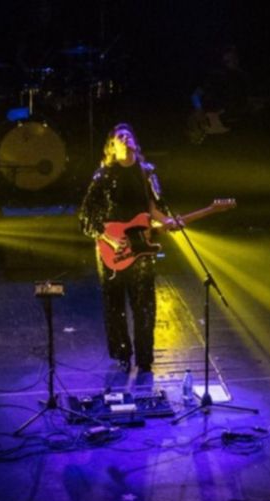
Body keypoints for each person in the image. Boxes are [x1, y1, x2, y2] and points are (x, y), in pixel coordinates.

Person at [77, 123, 181, 373]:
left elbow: (153, 208)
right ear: (112, 147)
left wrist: (167, 221)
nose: (125, 138)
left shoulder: (147, 173)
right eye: (119, 136)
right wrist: (110, 239)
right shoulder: (103, 175)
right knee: (114, 304)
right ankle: (122, 354)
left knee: (144, 303)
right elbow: (86, 215)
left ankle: (144, 358)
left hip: (141, 245)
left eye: (128, 135)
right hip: (111, 247)